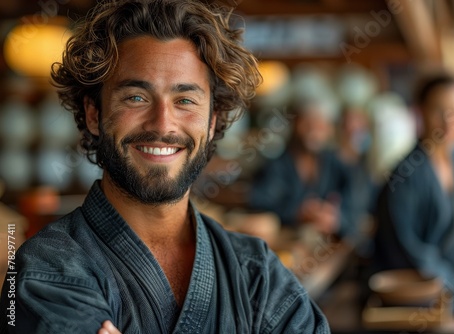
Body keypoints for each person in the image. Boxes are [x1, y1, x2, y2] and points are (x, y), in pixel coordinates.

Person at [0, 1, 330, 333]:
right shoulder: (47, 270)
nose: (162, 124)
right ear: (93, 114)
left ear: (213, 122)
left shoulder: (256, 275)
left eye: (185, 100)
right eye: (136, 98)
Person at [373, 73, 454, 313]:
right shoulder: (405, 176)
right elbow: (409, 252)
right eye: (439, 111)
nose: (450, 122)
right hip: (430, 294)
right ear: (420, 113)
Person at [248, 100, 354, 237]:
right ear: (295, 123)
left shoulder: (334, 164)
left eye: (320, 125)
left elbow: (356, 200)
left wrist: (335, 218)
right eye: (308, 123)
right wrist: (298, 211)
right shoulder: (277, 166)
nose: (313, 130)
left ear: (330, 130)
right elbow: (260, 202)